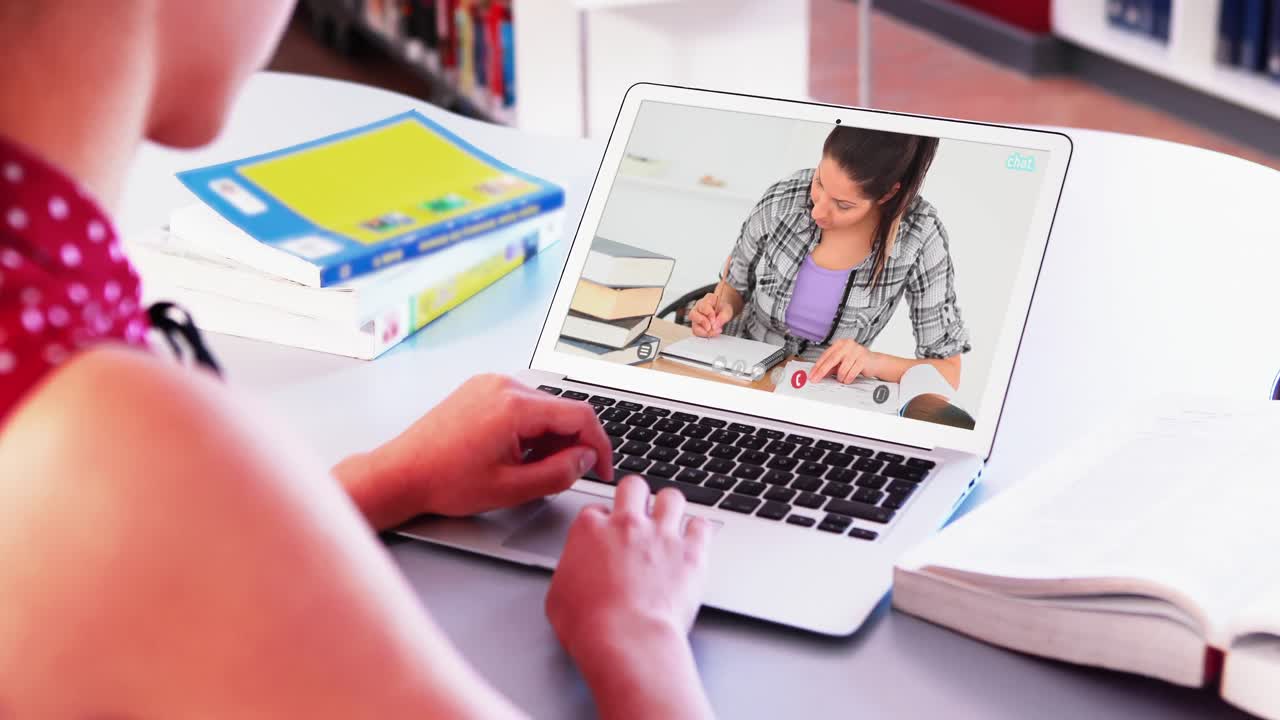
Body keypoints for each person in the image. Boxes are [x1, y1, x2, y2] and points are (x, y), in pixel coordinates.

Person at [0, 2, 714, 717]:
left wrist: (385, 480)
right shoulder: (121, 444)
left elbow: (145, 584)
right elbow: (144, 530)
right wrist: (639, 637)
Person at [689, 127, 971, 389]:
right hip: (735, 373)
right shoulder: (783, 199)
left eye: (844, 205)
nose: (818, 212)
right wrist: (720, 307)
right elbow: (735, 286)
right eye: (820, 182)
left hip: (821, 392)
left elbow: (948, 373)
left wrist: (873, 362)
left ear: (887, 194)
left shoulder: (920, 237)